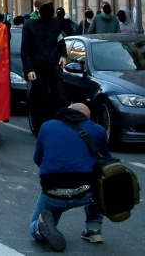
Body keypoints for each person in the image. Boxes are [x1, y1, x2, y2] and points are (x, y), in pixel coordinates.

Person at [29, 103, 108, 252]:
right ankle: (94, 228)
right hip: (85, 193)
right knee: (99, 182)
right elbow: (105, 162)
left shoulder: (47, 127)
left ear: (68, 109)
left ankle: (40, 228)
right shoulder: (98, 130)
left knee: (34, 227)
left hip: (53, 193)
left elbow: (37, 158)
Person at [21, 0, 68, 134]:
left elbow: (60, 41)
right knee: (40, 99)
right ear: (37, 9)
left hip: (54, 67)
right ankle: (40, 128)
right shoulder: (29, 25)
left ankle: (57, 126)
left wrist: (64, 55)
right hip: (38, 69)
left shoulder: (55, 22)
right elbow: (26, 49)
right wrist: (29, 69)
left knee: (59, 97)